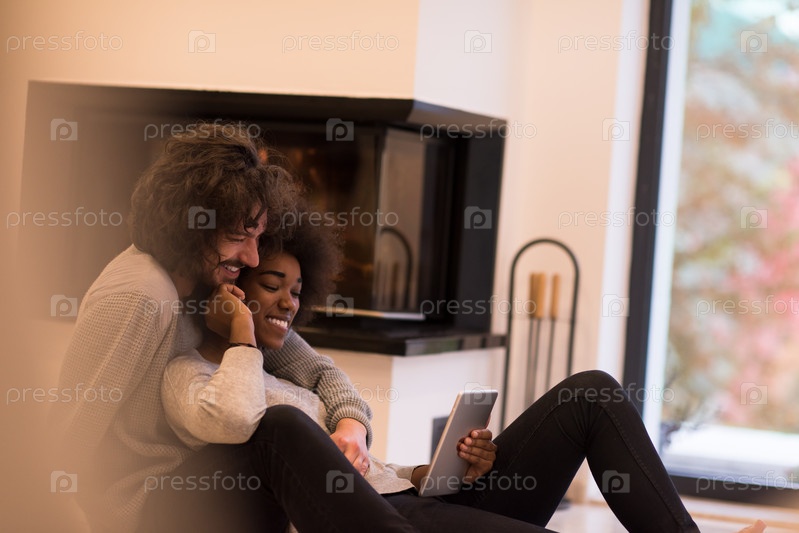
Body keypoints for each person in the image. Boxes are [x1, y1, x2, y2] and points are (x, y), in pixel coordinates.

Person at [159, 213, 770, 533]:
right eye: (272, 285)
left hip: (414, 500)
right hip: (389, 522)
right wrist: (241, 336)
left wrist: (432, 471)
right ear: (230, 290)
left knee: (592, 392)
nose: (290, 304)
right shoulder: (189, 377)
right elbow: (237, 418)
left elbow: (337, 394)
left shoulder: (289, 365)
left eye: (296, 290)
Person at [49, 124, 375, 533]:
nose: (252, 258)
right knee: (279, 429)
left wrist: (352, 426)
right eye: (238, 237)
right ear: (190, 226)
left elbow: (319, 372)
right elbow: (65, 443)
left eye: (256, 237)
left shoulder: (214, 283)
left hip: (208, 480)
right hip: (149, 507)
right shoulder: (138, 297)